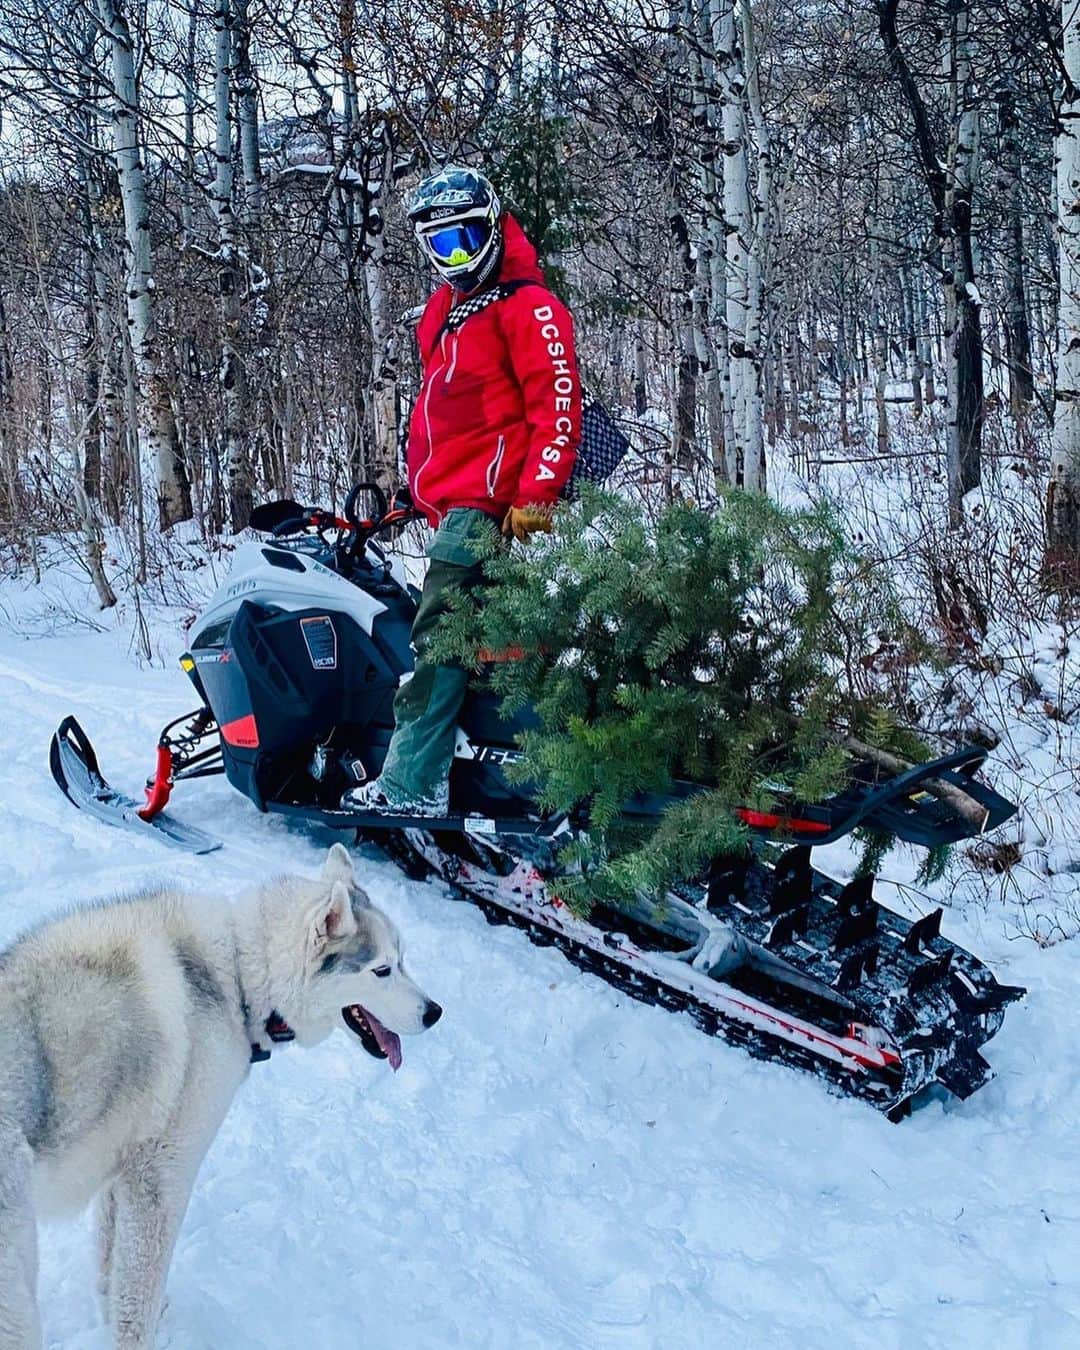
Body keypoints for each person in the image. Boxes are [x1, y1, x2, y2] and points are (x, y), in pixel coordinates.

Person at [345, 165, 582, 815]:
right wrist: (416, 497)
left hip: (490, 506)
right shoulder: (448, 315)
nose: (454, 257)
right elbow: (448, 418)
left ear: (494, 228)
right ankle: (530, 776)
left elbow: (556, 407)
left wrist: (538, 492)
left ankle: (411, 784)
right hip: (456, 503)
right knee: (503, 647)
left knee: (440, 641)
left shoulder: (528, 306)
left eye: (465, 239)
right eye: (439, 245)